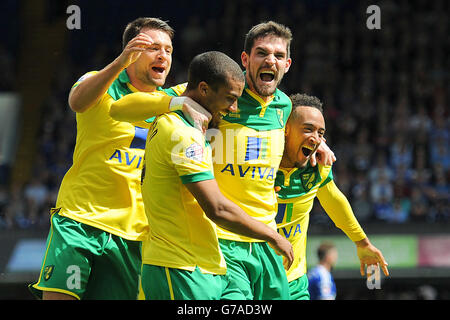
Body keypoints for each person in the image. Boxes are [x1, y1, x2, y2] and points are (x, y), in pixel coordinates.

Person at [110, 21, 335, 300]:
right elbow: (119, 109)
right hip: (224, 239)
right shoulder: (217, 91)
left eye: (278, 55)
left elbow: (297, 140)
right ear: (246, 59)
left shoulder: (284, 107)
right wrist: (176, 103)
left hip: (266, 241)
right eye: (262, 53)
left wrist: (317, 144)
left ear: (287, 64)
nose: (270, 61)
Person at [29, 17, 209, 300]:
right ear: (130, 51)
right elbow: (77, 102)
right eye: (153, 48)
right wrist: (119, 63)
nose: (163, 55)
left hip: (135, 236)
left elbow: (223, 85)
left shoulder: (171, 101)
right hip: (81, 220)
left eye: (169, 50)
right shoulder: (99, 82)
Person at [137, 51, 293, 300]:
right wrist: (272, 236)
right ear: (204, 89)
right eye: (230, 99)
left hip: (198, 265)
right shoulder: (184, 135)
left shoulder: (173, 119)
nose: (234, 107)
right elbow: (217, 208)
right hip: (177, 267)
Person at [275, 93, 389, 300]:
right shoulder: (260, 160)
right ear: (284, 130)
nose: (316, 138)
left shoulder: (317, 167)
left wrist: (362, 243)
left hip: (293, 280)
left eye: (320, 133)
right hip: (252, 274)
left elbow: (334, 200)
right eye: (308, 129)